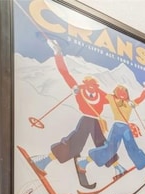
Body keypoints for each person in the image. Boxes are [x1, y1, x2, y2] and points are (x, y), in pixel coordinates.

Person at [29, 39, 118, 186]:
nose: (91, 89)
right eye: (88, 85)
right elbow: (66, 74)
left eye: (93, 86)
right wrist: (58, 54)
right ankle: (43, 161)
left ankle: (116, 167)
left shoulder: (101, 94)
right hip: (87, 120)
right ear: (85, 84)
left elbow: (115, 100)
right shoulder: (81, 90)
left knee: (102, 143)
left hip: (95, 121)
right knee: (75, 145)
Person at [80, 84, 145, 180]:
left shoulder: (129, 103)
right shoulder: (112, 99)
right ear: (116, 92)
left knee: (133, 149)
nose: (122, 93)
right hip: (117, 126)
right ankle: (84, 162)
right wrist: (83, 88)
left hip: (125, 128)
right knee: (110, 149)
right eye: (119, 91)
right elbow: (97, 92)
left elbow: (141, 98)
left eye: (124, 91)